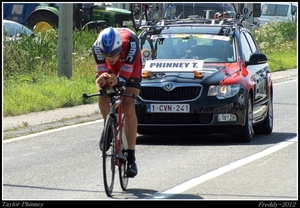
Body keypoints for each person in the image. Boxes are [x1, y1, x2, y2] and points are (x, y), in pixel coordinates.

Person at [92, 27, 142, 178]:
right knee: (103, 95)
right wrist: (102, 79)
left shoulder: (131, 44)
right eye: (106, 53)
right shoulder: (96, 47)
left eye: (113, 53)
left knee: (127, 104)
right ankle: (108, 125)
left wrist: (119, 80)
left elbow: (125, 76)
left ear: (119, 48)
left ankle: (131, 157)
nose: (110, 56)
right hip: (111, 69)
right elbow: (101, 73)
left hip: (130, 66)